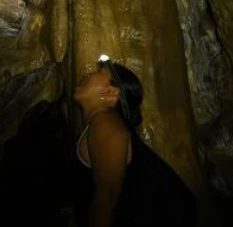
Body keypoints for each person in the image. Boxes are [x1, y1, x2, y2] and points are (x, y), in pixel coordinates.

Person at [70, 55, 197, 226]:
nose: (87, 75)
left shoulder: (105, 124)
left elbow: (108, 195)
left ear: (110, 92)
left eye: (98, 72)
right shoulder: (101, 123)